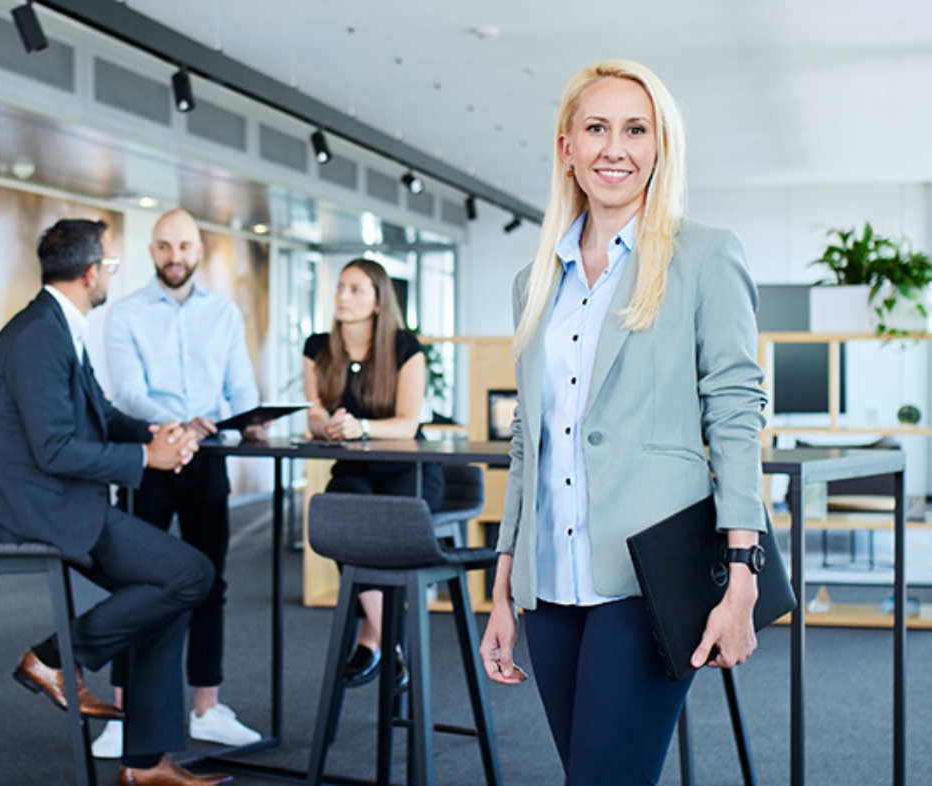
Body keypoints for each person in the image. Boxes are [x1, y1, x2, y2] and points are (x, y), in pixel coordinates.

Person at [478, 60, 768, 785]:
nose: (616, 148)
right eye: (597, 128)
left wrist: (742, 574)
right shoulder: (535, 281)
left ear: (659, 146)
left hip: (646, 578)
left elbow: (734, 414)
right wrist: (507, 584)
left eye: (636, 129)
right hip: (550, 584)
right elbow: (528, 444)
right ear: (566, 147)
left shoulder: (703, 255)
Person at [0, 218, 232, 786]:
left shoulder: (58, 325)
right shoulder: (39, 335)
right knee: (189, 572)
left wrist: (157, 434)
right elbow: (55, 448)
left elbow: (101, 415)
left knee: (168, 586)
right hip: (32, 506)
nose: (110, 273)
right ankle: (53, 657)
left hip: (53, 496)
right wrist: (145, 462)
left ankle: (145, 764)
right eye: (109, 265)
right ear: (91, 274)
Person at [92, 208, 264, 757]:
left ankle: (207, 708)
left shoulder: (224, 313)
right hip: (150, 457)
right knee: (135, 585)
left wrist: (251, 419)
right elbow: (129, 393)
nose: (175, 257)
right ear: (151, 251)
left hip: (208, 459)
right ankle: (121, 714)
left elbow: (240, 387)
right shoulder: (126, 313)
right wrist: (181, 425)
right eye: (165, 246)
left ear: (199, 250)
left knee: (210, 582)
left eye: (184, 246)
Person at [302, 257, 445, 687]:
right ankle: (395, 646)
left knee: (387, 532)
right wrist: (325, 425)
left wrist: (360, 426)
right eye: (340, 288)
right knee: (341, 516)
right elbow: (313, 414)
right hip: (355, 467)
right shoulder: (317, 347)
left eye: (356, 289)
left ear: (379, 302)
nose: (343, 297)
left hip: (409, 468)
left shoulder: (404, 347)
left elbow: (408, 423)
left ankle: (372, 639)